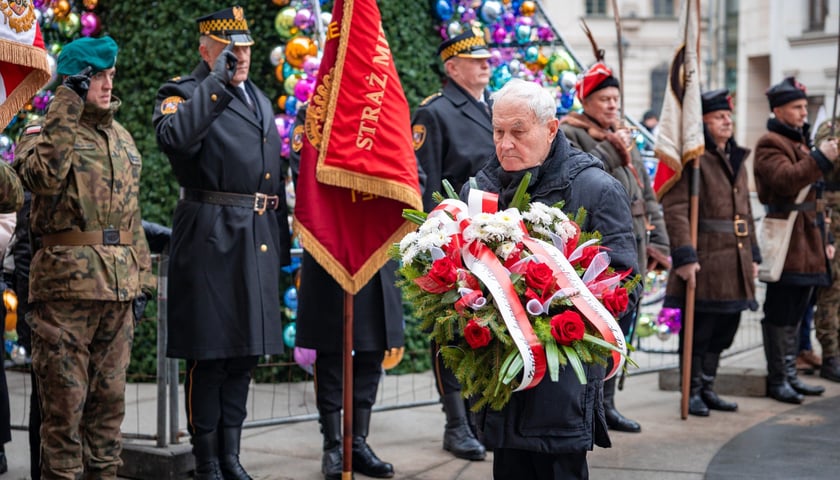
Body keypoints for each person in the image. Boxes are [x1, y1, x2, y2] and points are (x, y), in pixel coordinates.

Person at [464, 79, 640, 479]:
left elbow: (625, 283)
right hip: (502, 378)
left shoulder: (596, 189)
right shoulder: (481, 190)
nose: (505, 144)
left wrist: (550, 314)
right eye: (498, 131)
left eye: (518, 131)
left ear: (551, 129)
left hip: (563, 383)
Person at [153, 6, 292, 479]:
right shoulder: (183, 92)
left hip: (255, 236)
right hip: (211, 236)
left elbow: (272, 174)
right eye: (230, 49)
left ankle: (231, 456)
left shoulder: (259, 99)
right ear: (205, 49)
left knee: (243, 355)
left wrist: (280, 241)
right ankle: (207, 459)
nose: (241, 56)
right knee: (210, 356)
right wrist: (215, 82)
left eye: (246, 47)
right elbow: (174, 139)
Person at [12, 35, 154, 479]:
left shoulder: (121, 138)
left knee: (108, 421)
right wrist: (66, 105)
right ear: (74, 80)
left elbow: (131, 219)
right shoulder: (42, 132)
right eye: (96, 77)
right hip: (65, 297)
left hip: (117, 295)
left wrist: (144, 281)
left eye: (111, 74)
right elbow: (44, 177)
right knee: (63, 421)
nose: (108, 84)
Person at [289, 105, 401, 480]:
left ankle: (358, 442)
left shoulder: (385, 111)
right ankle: (333, 445)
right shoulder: (315, 112)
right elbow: (303, 173)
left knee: (371, 349)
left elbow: (408, 173)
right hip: (331, 246)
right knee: (331, 351)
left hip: (375, 245)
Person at [559, 61, 670, 433]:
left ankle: (607, 405)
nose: (612, 105)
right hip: (599, 246)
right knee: (599, 331)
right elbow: (578, 178)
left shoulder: (621, 133)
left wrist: (660, 241)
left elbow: (646, 193)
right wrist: (611, 148)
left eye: (616, 99)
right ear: (586, 101)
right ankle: (587, 408)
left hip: (634, 240)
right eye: (604, 98)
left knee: (624, 329)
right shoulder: (571, 133)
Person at [410, 27, 494, 460]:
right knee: (451, 333)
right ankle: (457, 423)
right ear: (452, 67)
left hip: (494, 238)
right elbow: (424, 183)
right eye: (476, 59)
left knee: (489, 328)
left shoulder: (494, 107)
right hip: (454, 242)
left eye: (486, 58)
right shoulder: (435, 113)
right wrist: (437, 242)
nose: (486, 64)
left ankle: (481, 419)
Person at [660, 89, 761, 416]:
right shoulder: (694, 158)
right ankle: (691, 391)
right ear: (701, 121)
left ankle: (707, 386)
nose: (727, 121)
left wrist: (753, 256)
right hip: (705, 258)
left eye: (728, 116)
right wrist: (685, 256)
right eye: (719, 116)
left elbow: (745, 212)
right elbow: (676, 209)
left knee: (725, 329)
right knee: (699, 331)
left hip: (735, 259)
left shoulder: (736, 157)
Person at [753, 76, 838, 404]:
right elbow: (785, 181)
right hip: (789, 243)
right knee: (780, 311)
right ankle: (779, 379)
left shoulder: (799, 143)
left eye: (804, 107)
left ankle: (790, 374)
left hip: (810, 242)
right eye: (797, 107)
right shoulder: (770, 143)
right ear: (778, 110)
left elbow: (816, 199)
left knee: (797, 312)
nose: (804, 112)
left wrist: (827, 237)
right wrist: (820, 159)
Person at [813, 117, 840, 382]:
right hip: (835, 218)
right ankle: (831, 354)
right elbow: (827, 160)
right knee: (833, 286)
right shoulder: (830, 128)